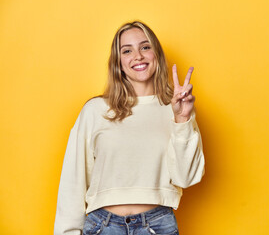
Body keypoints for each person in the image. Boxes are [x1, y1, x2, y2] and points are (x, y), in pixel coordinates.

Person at [54, 21, 205, 235]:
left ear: (157, 55)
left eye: (145, 47)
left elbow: (186, 178)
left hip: (157, 226)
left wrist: (182, 119)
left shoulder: (177, 109)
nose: (138, 56)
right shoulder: (95, 110)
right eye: (127, 50)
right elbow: (73, 181)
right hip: (102, 227)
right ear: (119, 63)